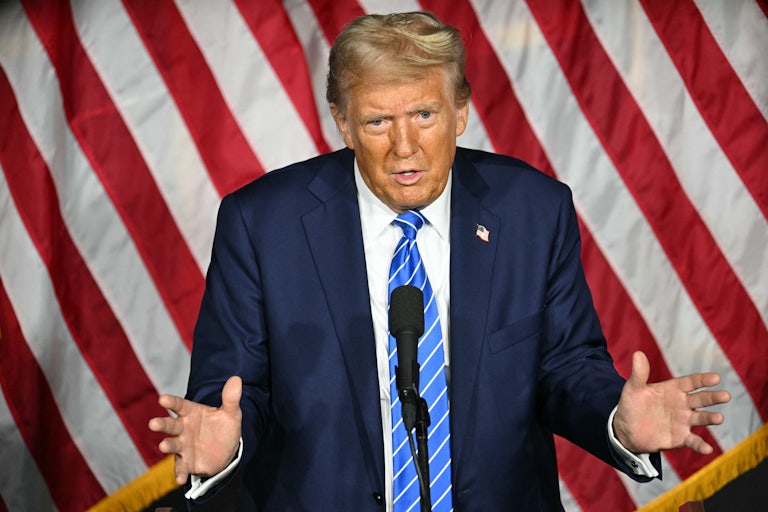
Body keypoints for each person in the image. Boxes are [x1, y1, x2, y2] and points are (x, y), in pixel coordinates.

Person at [148, 11, 730, 511]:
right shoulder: (261, 224)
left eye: (424, 115)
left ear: (460, 112)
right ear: (344, 123)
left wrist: (616, 422)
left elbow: (564, 367)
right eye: (378, 121)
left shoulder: (532, 209)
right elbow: (233, 392)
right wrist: (228, 444)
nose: (404, 147)